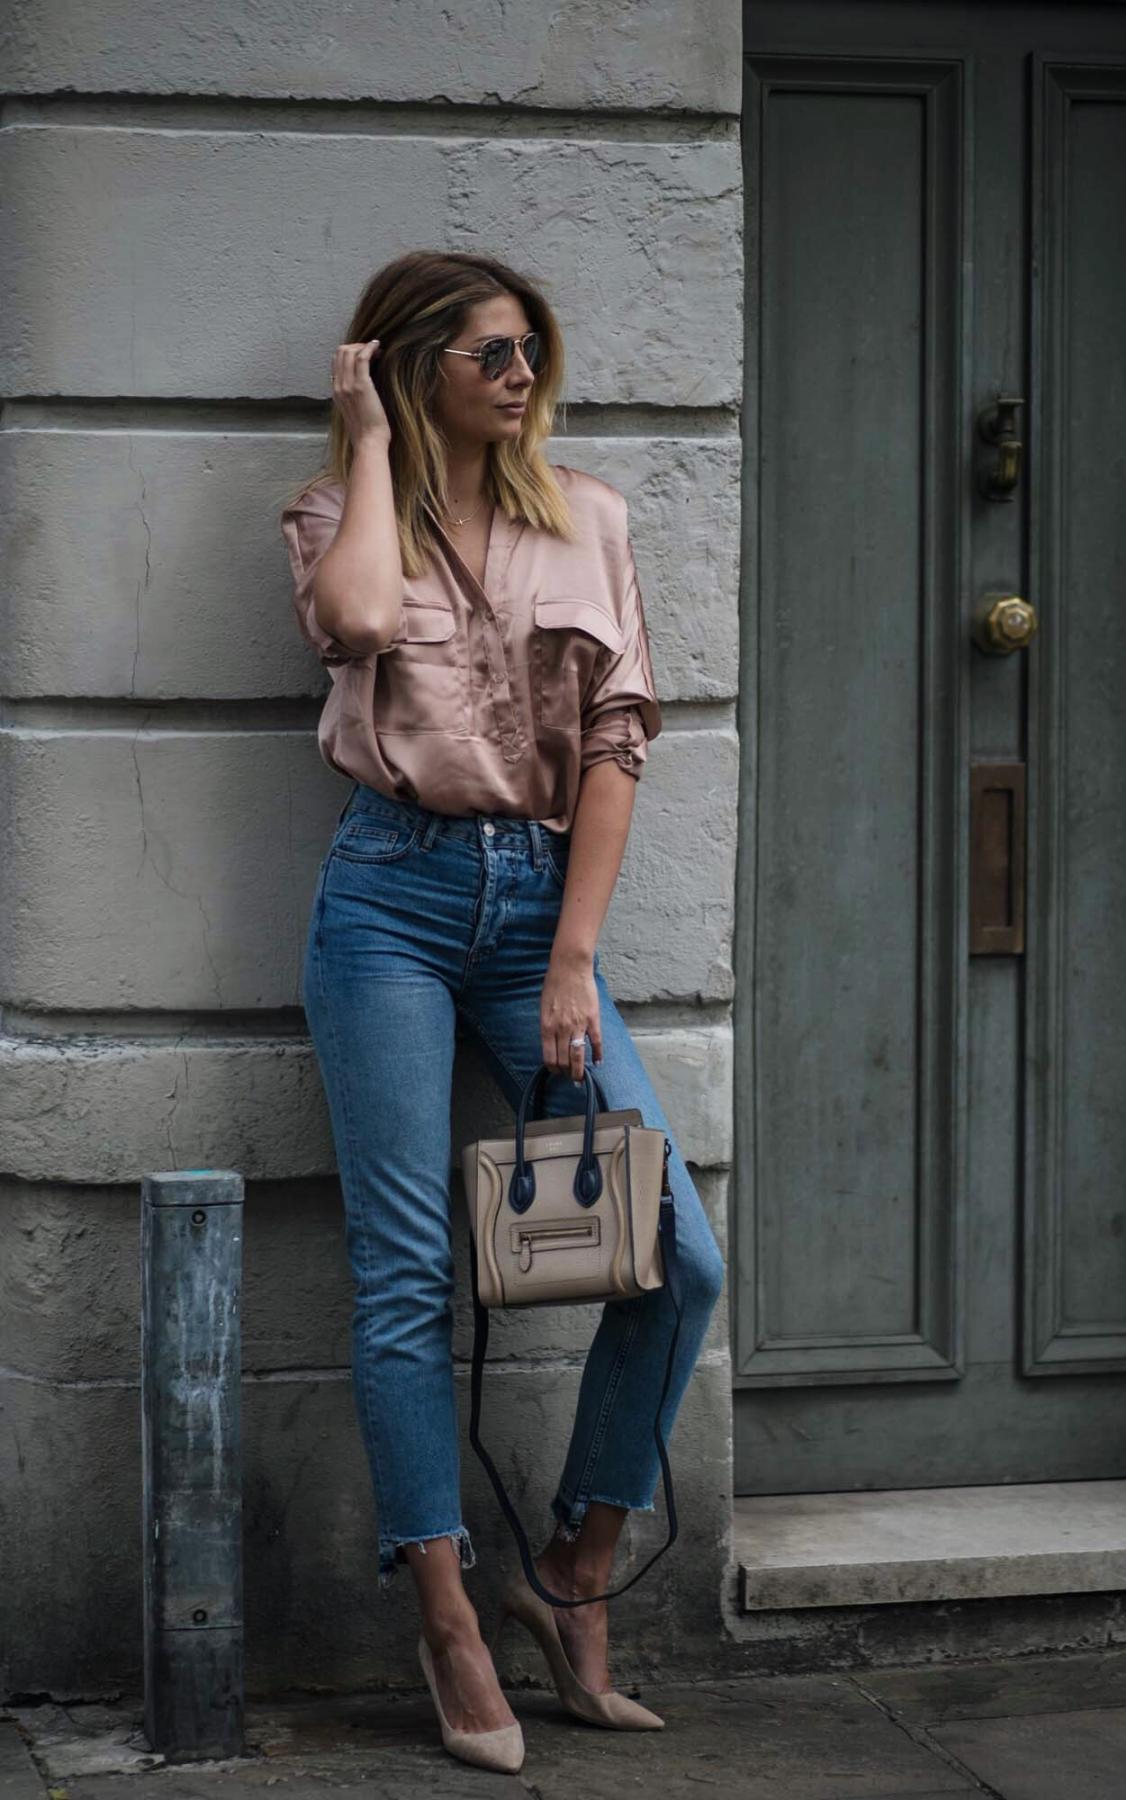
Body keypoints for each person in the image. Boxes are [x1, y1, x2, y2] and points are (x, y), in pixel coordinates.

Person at [278, 249, 724, 1775]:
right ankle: (451, 1616)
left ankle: (577, 1570)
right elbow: (346, 630)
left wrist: (572, 959)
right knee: (404, 1276)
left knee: (683, 1259)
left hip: (539, 900)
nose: (523, 373)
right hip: (387, 902)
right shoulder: (340, 514)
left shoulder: (585, 518)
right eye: (488, 352)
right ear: (413, 366)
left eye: (532, 347)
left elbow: (616, 737)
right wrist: (372, 444)